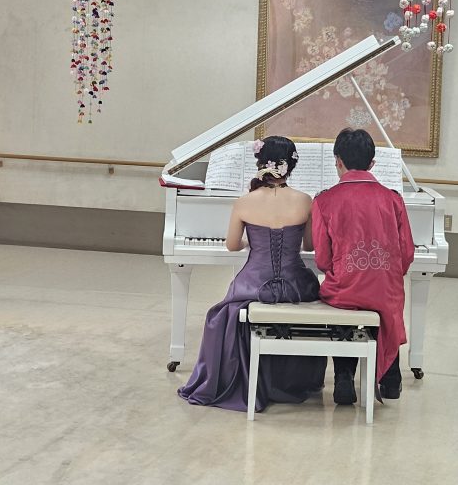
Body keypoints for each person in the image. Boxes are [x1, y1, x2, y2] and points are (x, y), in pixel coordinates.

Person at [177, 136, 325, 412]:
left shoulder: (244, 202)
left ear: (260, 162)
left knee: (220, 314)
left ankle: (243, 379)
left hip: (254, 283)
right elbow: (309, 246)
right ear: (291, 165)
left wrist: (250, 242)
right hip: (295, 285)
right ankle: (286, 380)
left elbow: (232, 245)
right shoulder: (306, 201)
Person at [309, 127, 414, 405]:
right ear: (372, 163)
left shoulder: (324, 201)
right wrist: (383, 275)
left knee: (338, 300)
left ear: (338, 161)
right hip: (384, 288)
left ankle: (344, 378)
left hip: (345, 289)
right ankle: (391, 377)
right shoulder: (393, 199)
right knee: (389, 303)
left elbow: (323, 261)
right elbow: (406, 253)